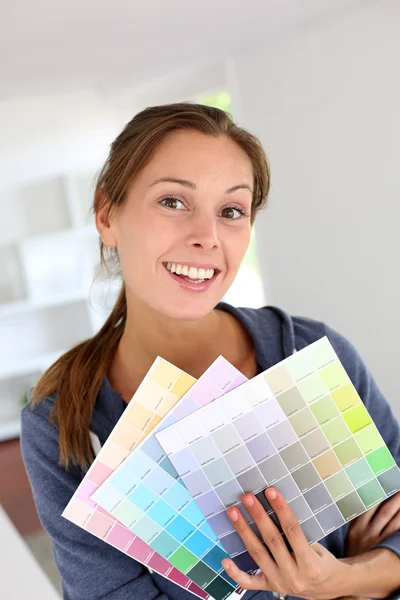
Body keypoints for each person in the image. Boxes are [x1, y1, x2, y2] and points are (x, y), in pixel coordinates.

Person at [21, 103, 400, 600]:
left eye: (231, 211)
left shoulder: (310, 352)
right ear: (107, 213)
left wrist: (347, 578)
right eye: (174, 202)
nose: (207, 237)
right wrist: (360, 574)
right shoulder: (63, 421)